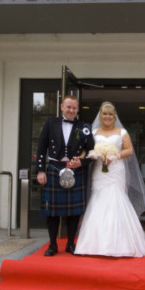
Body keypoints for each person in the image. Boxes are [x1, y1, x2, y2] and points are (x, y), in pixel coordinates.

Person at [74, 102, 145, 257]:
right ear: (100, 115)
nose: (107, 117)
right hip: (99, 171)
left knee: (115, 200)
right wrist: (87, 156)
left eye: (110, 114)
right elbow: (87, 149)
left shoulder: (122, 132)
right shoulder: (93, 132)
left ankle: (120, 244)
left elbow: (129, 150)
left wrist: (115, 156)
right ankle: (94, 244)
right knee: (98, 201)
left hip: (116, 170)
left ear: (114, 116)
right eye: (104, 114)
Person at [36, 95, 95, 256]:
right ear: (62, 106)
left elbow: (93, 151)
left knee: (74, 211)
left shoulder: (83, 127)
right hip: (54, 169)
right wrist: (41, 170)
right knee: (52, 212)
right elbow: (41, 148)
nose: (71, 110)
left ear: (77, 109)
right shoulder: (51, 123)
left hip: (75, 171)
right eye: (68, 107)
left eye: (74, 108)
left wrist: (82, 163)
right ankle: (53, 245)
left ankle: (70, 244)